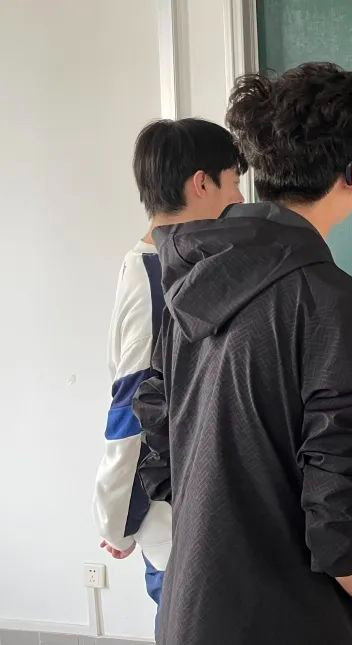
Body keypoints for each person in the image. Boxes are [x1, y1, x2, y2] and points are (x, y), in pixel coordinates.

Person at [132, 62, 352, 645]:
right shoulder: (338, 307)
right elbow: (338, 506)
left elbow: (158, 438)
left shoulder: (191, 282)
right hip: (291, 613)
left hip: (193, 604)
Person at [92, 118, 245, 609]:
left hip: (203, 515)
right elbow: (132, 411)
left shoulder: (176, 265)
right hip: (178, 526)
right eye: (233, 182)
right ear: (201, 184)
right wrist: (117, 520)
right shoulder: (153, 278)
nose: (240, 198)